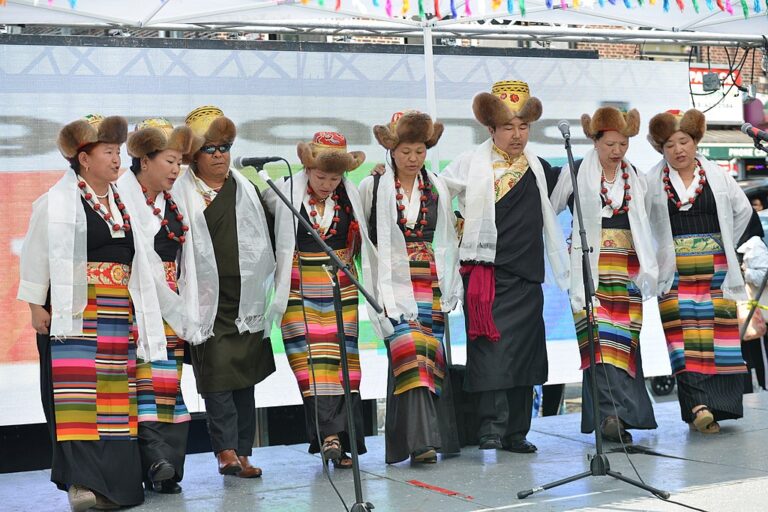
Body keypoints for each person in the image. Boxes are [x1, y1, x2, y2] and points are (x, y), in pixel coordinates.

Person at [17, 114, 149, 511]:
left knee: (114, 397)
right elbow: (36, 252)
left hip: (117, 308)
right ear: (84, 159)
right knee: (77, 398)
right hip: (76, 309)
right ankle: (82, 483)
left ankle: (116, 484)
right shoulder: (55, 202)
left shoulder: (124, 202)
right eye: (109, 152)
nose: (117, 160)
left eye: (119, 152)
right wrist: (35, 304)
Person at [440, 81, 569, 453]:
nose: (517, 135)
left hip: (527, 275)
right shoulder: (470, 163)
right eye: (509, 127)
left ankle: (517, 431)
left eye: (523, 127)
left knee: (525, 356)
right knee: (491, 354)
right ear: (491, 129)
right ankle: (490, 429)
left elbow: (564, 196)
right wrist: (463, 225)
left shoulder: (539, 168)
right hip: (488, 277)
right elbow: (437, 191)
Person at [174, 106, 276, 476]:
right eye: (210, 148)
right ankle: (225, 450)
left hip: (244, 296)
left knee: (244, 375)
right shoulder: (180, 190)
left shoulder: (245, 186)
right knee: (216, 375)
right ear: (192, 155)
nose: (220, 155)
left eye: (225, 147)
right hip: (205, 298)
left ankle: (244, 450)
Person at [265, 131, 377, 468]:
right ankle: (328, 436)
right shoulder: (282, 192)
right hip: (300, 283)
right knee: (310, 364)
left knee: (344, 365)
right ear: (307, 169)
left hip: (340, 283)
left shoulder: (351, 195)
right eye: (320, 176)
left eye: (335, 177)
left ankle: (342, 441)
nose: (328, 183)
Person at [550, 107, 658, 443]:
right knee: (599, 344)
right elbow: (549, 208)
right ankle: (610, 417)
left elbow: (646, 220)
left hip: (626, 268)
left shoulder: (636, 176)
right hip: (591, 269)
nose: (616, 150)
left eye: (622, 144)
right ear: (595, 141)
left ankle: (622, 417)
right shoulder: (577, 170)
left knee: (624, 344)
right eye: (610, 143)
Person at [359, 111, 462, 464]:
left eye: (419, 151)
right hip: (391, 283)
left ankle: (419, 441)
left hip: (429, 280)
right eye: (405, 151)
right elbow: (363, 238)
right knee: (410, 350)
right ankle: (421, 443)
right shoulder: (372, 186)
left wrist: (450, 283)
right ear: (391, 151)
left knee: (428, 357)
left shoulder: (436, 184)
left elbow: (448, 234)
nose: (413, 159)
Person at [646, 108, 752, 434]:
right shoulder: (651, 182)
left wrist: (725, 245)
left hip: (715, 269)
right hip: (674, 271)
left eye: (684, 141)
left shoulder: (718, 176)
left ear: (695, 141)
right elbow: (641, 224)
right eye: (669, 145)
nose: (678, 150)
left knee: (716, 337)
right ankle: (698, 406)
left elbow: (743, 211)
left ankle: (716, 408)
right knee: (682, 338)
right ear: (660, 149)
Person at [118, 118, 204, 493]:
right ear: (144, 160)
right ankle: (155, 461)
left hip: (170, 304)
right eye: (169, 160)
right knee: (139, 380)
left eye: (179, 163)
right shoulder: (119, 195)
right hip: (132, 301)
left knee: (168, 382)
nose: (175, 169)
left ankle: (166, 464)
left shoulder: (176, 200)